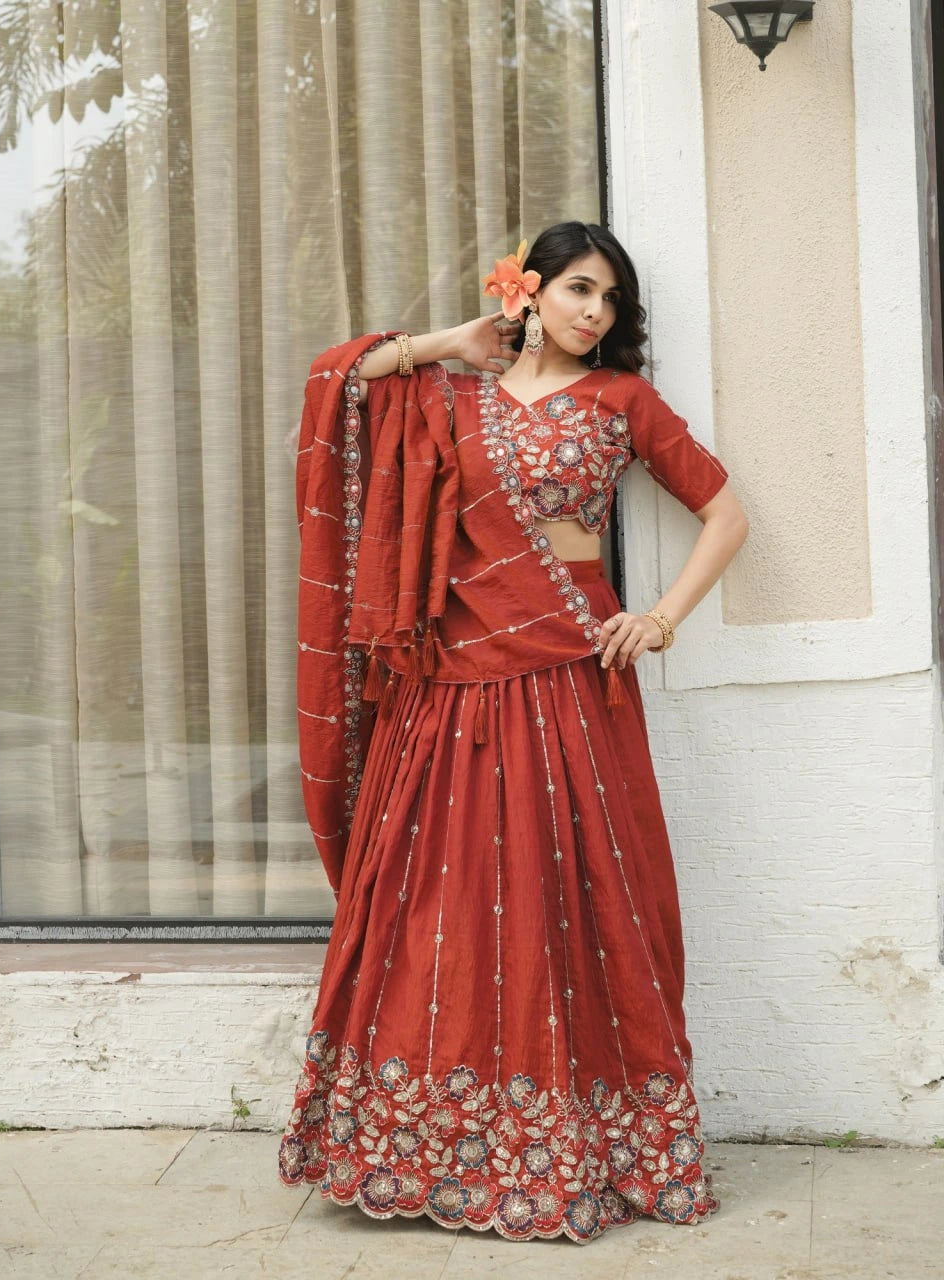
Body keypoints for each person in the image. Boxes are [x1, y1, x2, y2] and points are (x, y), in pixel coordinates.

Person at [278, 221, 749, 1243]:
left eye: (612, 300)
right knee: (435, 910)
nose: (595, 313)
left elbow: (726, 513)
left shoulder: (622, 401)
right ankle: (424, 1143)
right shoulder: (453, 395)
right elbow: (335, 385)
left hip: (571, 673)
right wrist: (448, 341)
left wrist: (658, 615)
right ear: (529, 291)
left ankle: (578, 1146)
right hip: (449, 686)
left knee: (574, 903)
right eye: (579, 289)